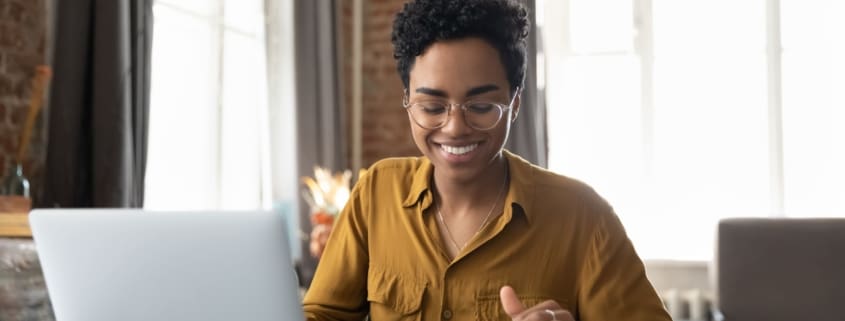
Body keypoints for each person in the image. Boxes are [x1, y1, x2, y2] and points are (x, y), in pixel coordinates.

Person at [303, 0, 672, 320]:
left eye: (481, 106)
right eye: (432, 107)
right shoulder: (376, 193)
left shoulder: (583, 217)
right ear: (407, 100)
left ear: (515, 104)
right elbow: (323, 314)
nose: (455, 127)